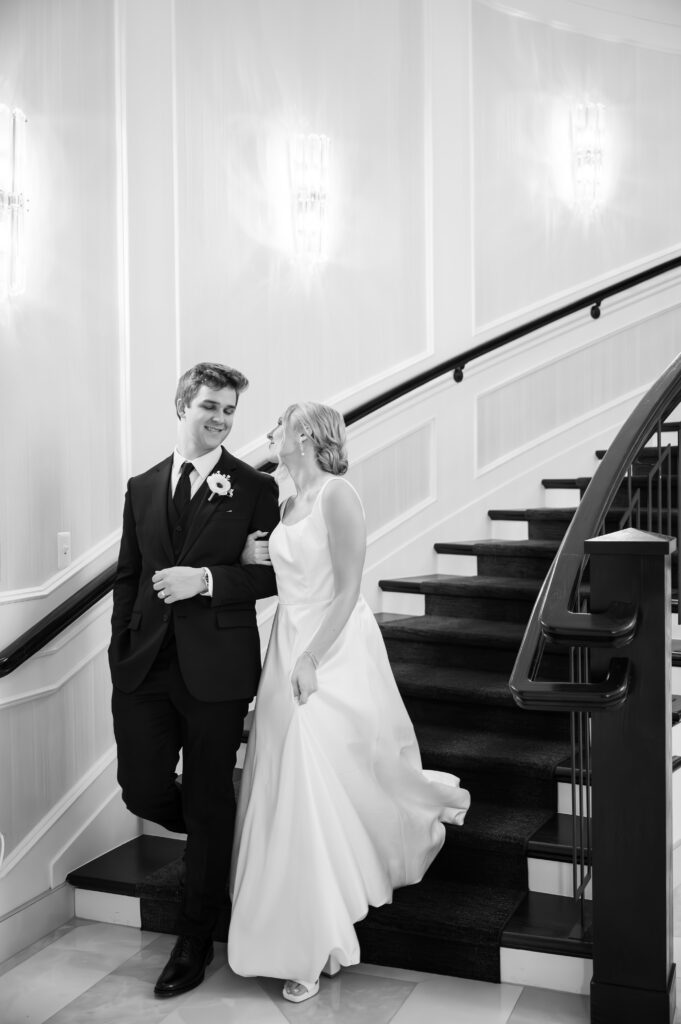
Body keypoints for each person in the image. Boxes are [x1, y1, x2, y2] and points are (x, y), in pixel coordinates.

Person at [227, 401, 470, 1004]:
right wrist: (247, 560)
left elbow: (347, 587)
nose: (269, 434)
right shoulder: (284, 504)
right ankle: (296, 921)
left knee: (315, 782)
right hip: (285, 641)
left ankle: (313, 942)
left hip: (328, 646)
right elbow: (281, 574)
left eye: (278, 427)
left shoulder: (339, 495)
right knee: (283, 782)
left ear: (305, 434)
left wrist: (311, 658)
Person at [108, 362, 279, 999]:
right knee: (142, 788)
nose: (222, 420)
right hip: (144, 667)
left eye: (231, 411)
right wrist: (121, 647)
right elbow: (128, 575)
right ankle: (222, 839)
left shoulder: (254, 487)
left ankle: (195, 935)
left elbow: (275, 575)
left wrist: (206, 579)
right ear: (183, 403)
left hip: (218, 669)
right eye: (210, 406)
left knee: (208, 796)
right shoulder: (142, 486)